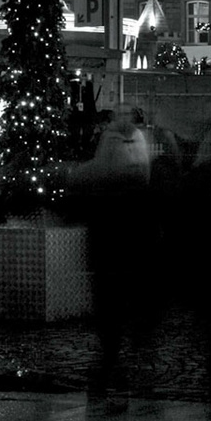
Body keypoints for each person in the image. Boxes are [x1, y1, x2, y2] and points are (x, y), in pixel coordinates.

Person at [70, 106, 154, 403]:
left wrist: (69, 175)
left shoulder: (109, 148)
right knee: (129, 320)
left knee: (111, 321)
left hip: (110, 255)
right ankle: (127, 375)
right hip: (130, 254)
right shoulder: (139, 151)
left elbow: (90, 177)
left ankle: (109, 376)